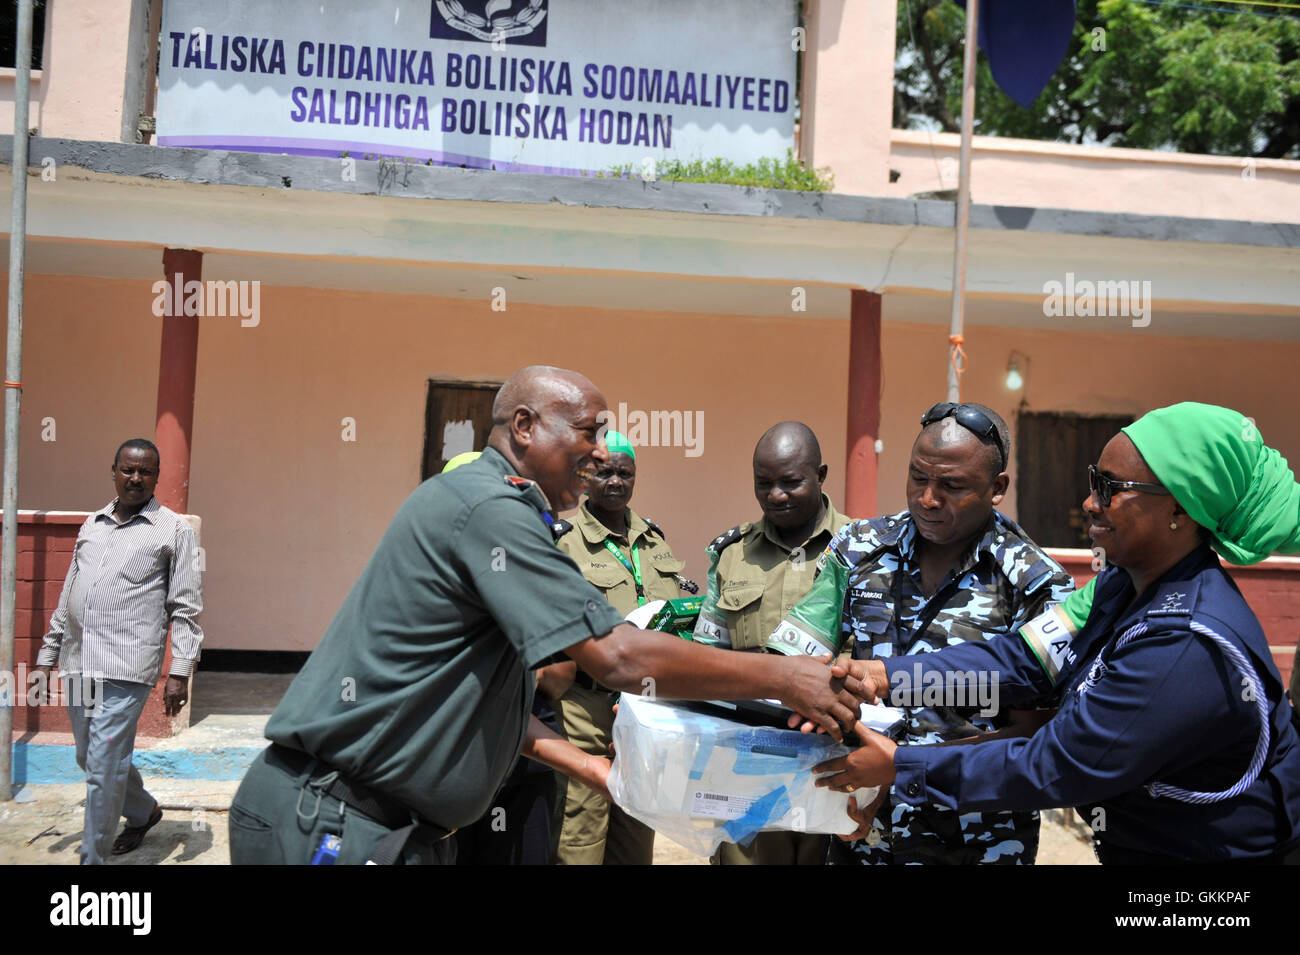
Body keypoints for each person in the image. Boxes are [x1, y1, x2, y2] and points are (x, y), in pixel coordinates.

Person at [228, 367, 870, 865]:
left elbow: (489, 697)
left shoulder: (505, 513)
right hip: (336, 819)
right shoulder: (490, 511)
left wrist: (592, 767)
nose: (598, 455)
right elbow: (617, 656)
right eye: (588, 432)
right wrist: (783, 677)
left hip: (388, 825)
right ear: (527, 427)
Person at [814, 402, 1300, 863]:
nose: (1090, 503)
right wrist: (886, 676)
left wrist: (902, 767)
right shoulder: (1122, 584)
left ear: (1179, 511)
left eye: (1111, 488)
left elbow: (1059, 763)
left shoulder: (1185, 642)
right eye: (1094, 481)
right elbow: (1023, 662)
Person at [777, 403, 1074, 865]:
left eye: (952, 485)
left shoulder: (1034, 583)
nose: (928, 499)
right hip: (861, 834)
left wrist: (901, 769)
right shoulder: (858, 551)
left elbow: (1034, 736)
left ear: (997, 489)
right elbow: (798, 676)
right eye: (918, 477)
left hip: (979, 841)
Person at [33, 438, 203, 864]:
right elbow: (69, 592)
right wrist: (46, 656)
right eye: (128, 469)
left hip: (127, 668)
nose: (136, 478)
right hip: (78, 662)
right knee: (88, 757)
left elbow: (185, 607)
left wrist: (180, 671)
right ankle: (143, 812)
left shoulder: (173, 530)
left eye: (145, 471)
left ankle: (92, 860)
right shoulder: (92, 524)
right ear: (113, 471)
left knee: (104, 766)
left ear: (157, 477)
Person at [693, 421, 853, 865]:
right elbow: (707, 659)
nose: (776, 495)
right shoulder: (732, 554)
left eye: (791, 482)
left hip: (837, 763)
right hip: (747, 768)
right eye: (764, 484)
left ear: (821, 475)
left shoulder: (863, 551)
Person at [543, 430, 690, 864]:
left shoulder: (653, 541)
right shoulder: (563, 540)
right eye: (604, 472)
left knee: (635, 828)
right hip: (586, 708)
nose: (615, 482)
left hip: (645, 710)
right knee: (581, 829)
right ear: (586, 476)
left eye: (624, 474)